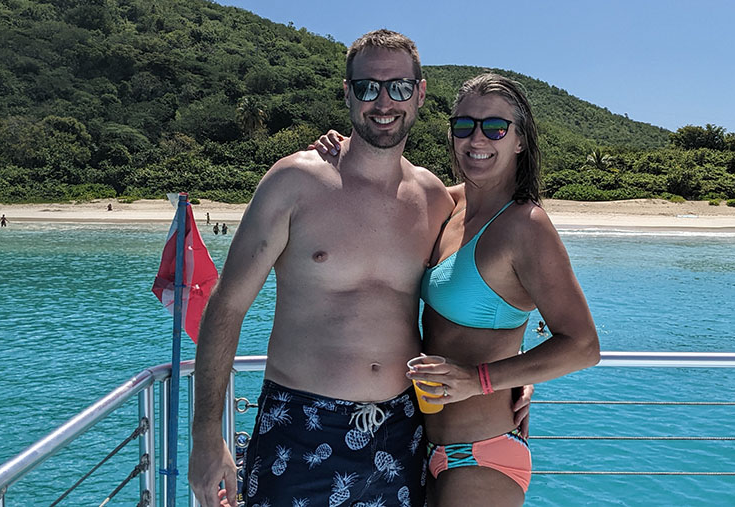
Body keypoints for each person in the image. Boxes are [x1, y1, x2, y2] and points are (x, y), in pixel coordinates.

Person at [188, 30, 458, 507]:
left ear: (419, 92)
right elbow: (226, 305)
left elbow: (473, 295)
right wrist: (207, 436)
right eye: (367, 87)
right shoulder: (295, 181)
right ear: (347, 92)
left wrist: (506, 379)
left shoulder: (434, 198)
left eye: (397, 87)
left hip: (400, 431)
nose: (383, 101)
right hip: (300, 428)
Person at [314, 74, 599, 505]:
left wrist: (481, 380)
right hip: (414, 444)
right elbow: (375, 195)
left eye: (495, 127)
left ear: (520, 140)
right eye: (464, 126)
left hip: (482, 453)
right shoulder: (447, 204)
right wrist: (343, 151)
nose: (476, 138)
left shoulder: (527, 226)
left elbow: (583, 346)